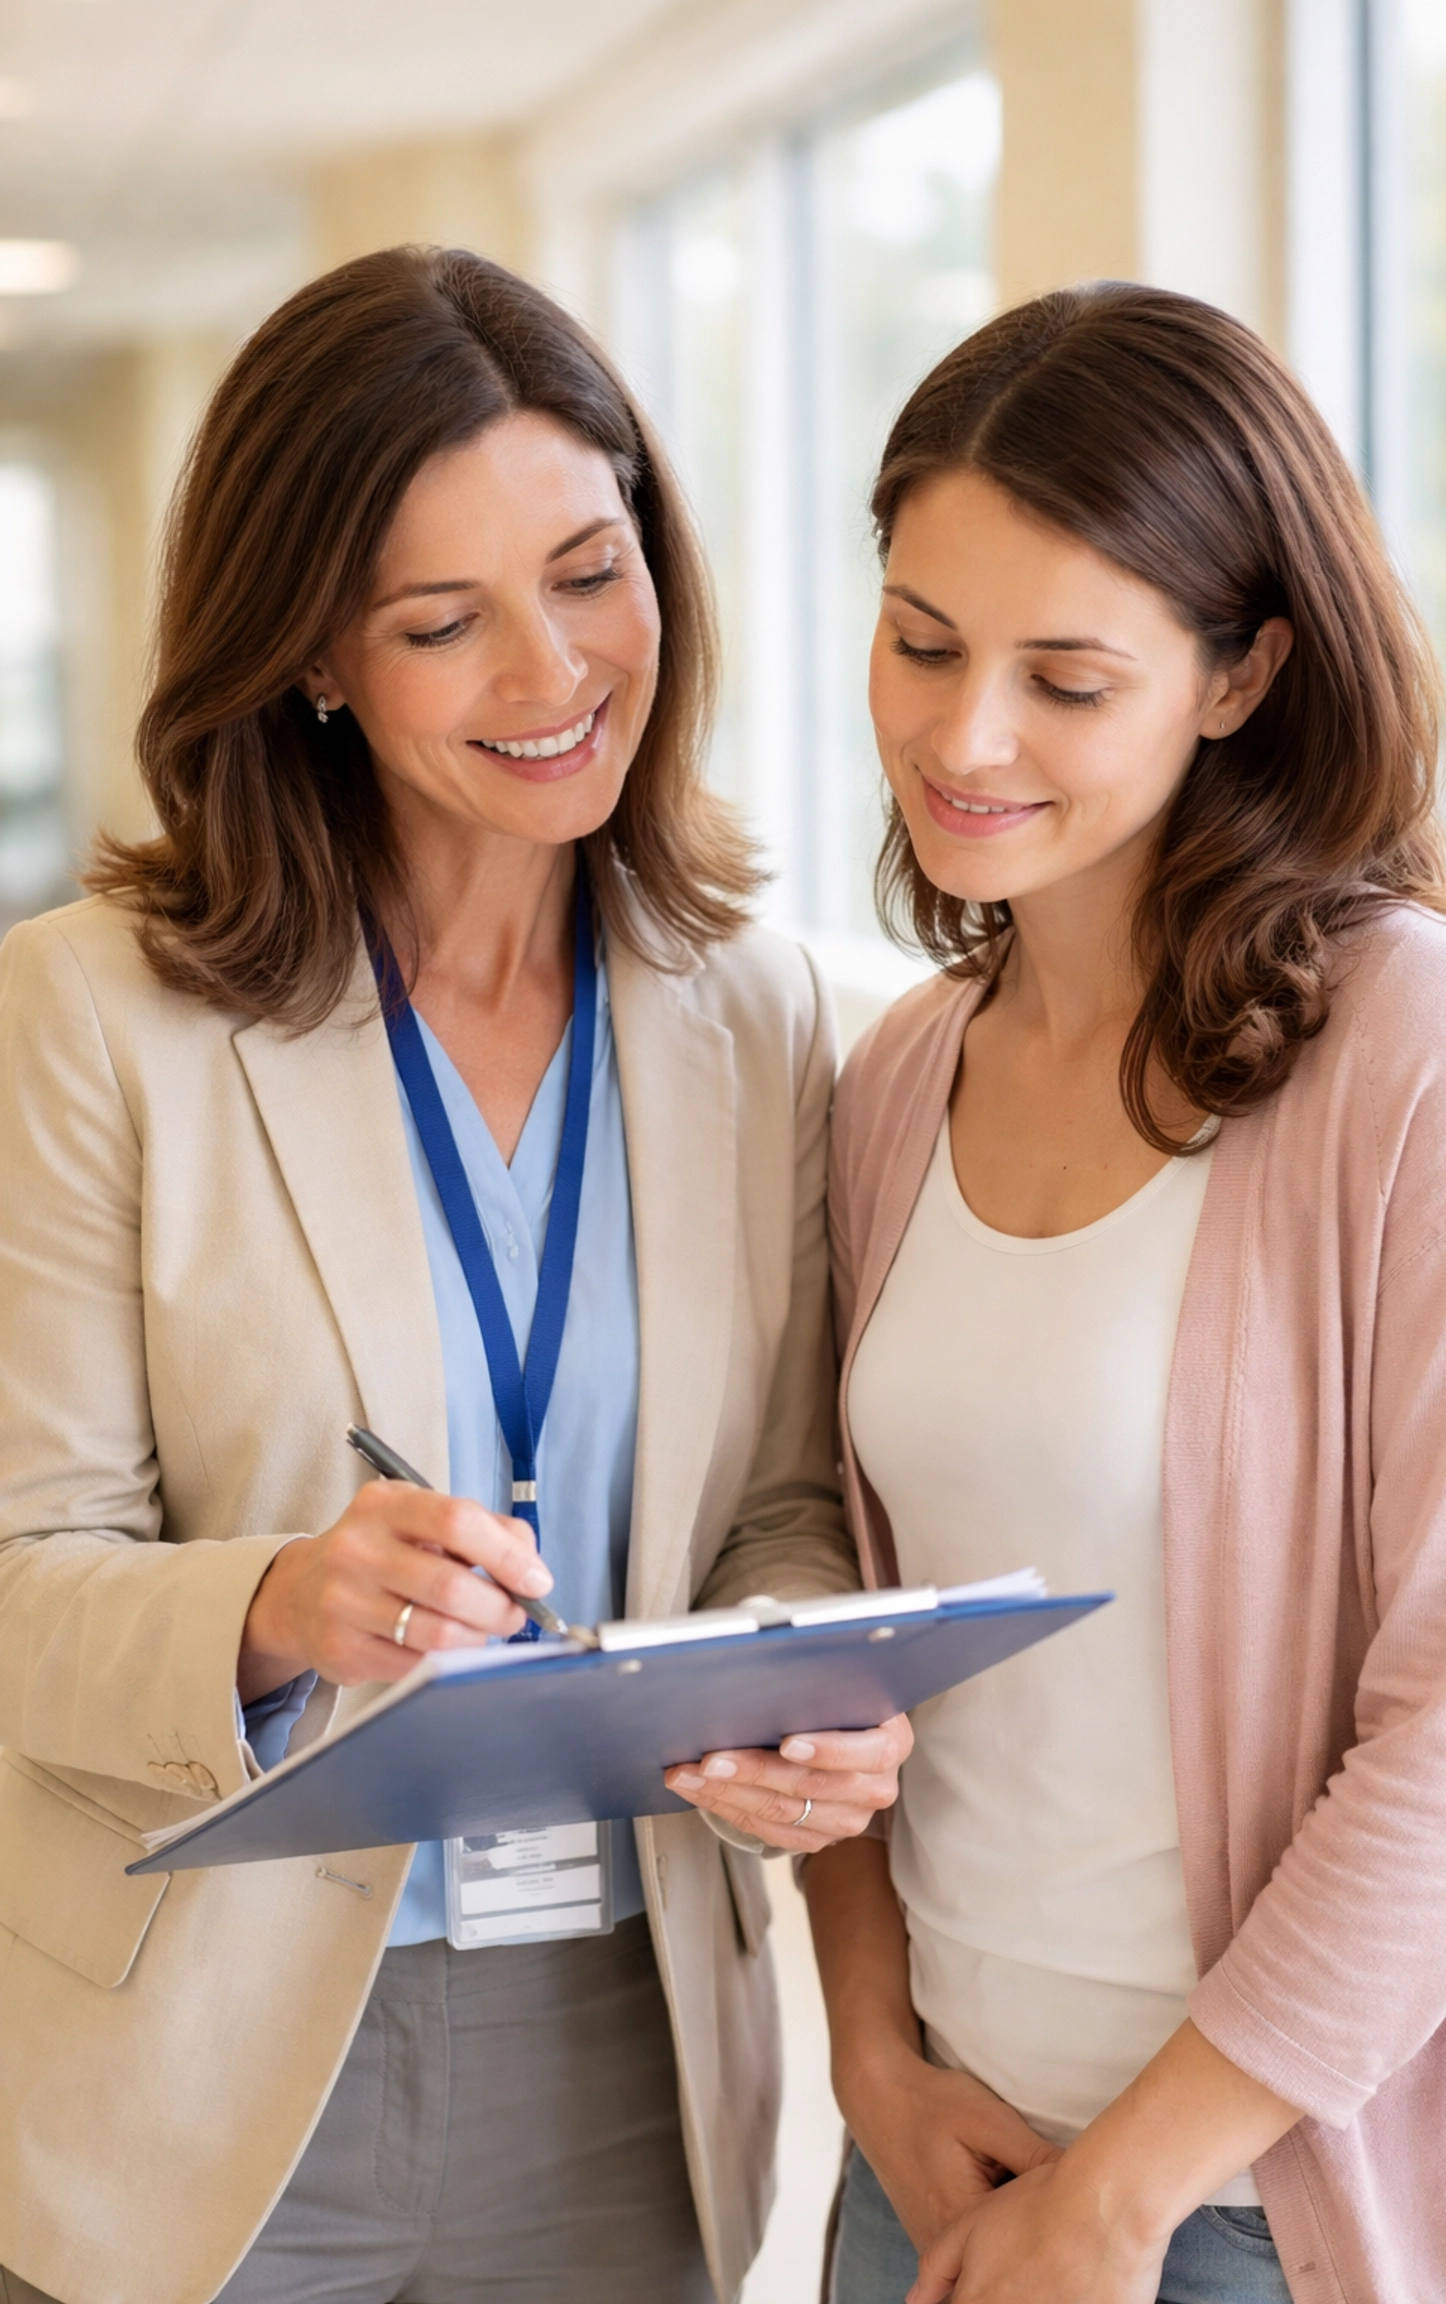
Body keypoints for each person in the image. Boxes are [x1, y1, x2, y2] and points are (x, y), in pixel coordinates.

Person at [0, 246, 910, 2304]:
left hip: (622, 2045)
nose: (551, 670)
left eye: (593, 573)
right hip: (202, 2073)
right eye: (443, 622)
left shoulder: (755, 1014)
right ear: (314, 652)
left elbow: (771, 1502)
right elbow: (21, 1571)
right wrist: (270, 1605)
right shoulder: (87, 1018)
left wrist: (804, 1688)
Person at [797, 283, 1446, 2303]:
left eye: (1068, 677)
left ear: (1240, 675)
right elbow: (864, 1638)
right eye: (923, 643)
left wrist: (1123, 2197)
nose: (965, 737)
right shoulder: (899, 1075)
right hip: (936, 2161)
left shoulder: (1428, 1053)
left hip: (1253, 2211)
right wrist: (872, 2056)